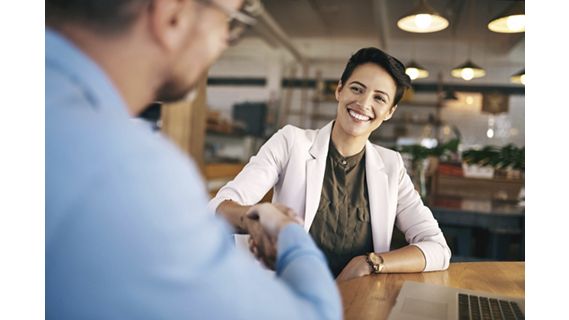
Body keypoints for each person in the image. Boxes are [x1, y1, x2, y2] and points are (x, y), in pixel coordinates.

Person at [45, 0, 341, 319]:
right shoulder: (127, 170)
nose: (223, 43)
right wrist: (288, 233)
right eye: (230, 24)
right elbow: (316, 314)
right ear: (172, 14)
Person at [209, 47, 452, 280]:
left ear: (389, 112)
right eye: (357, 89)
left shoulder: (391, 166)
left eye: (379, 98)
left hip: (360, 301)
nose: (364, 103)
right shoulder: (291, 142)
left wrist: (370, 263)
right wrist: (253, 217)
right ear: (339, 90)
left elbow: (438, 248)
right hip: (290, 294)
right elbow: (218, 207)